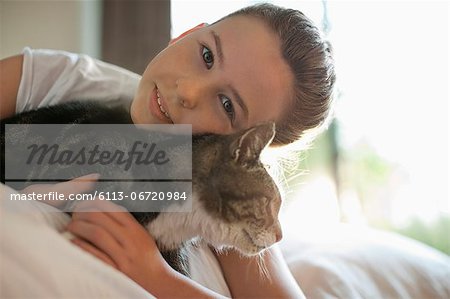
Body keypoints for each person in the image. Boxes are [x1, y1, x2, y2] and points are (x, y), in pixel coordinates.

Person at [0, 3, 335, 298]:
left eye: (227, 105)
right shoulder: (61, 79)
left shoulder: (216, 194)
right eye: (206, 55)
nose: (188, 91)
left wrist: (156, 276)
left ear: (243, 151)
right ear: (187, 33)